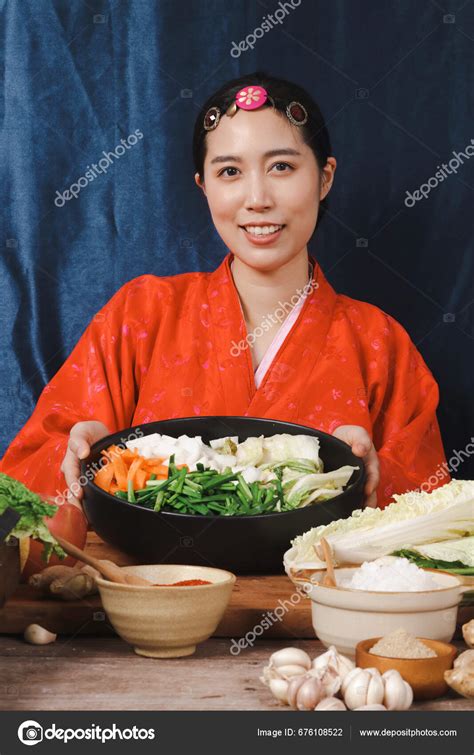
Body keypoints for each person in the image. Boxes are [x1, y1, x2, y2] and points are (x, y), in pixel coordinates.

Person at [0, 72, 449, 557]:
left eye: (281, 166)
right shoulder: (141, 314)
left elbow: (434, 521)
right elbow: (21, 480)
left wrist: (368, 482)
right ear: (204, 187)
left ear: (325, 177)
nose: (257, 198)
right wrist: (80, 459)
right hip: (154, 606)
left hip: (319, 614)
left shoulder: (379, 341)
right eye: (229, 172)